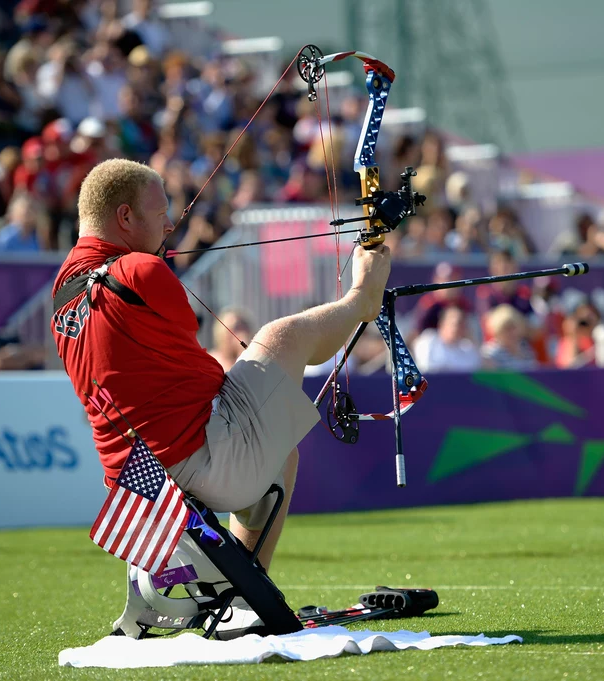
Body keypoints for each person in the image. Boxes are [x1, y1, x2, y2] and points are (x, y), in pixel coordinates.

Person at [52, 159, 391, 630]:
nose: (171, 224)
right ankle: (362, 297)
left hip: (134, 486)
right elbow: (195, 353)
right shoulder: (140, 272)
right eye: (161, 211)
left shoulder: (62, 290)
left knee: (278, 449)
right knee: (281, 338)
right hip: (192, 464)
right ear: (125, 218)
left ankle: (240, 596)